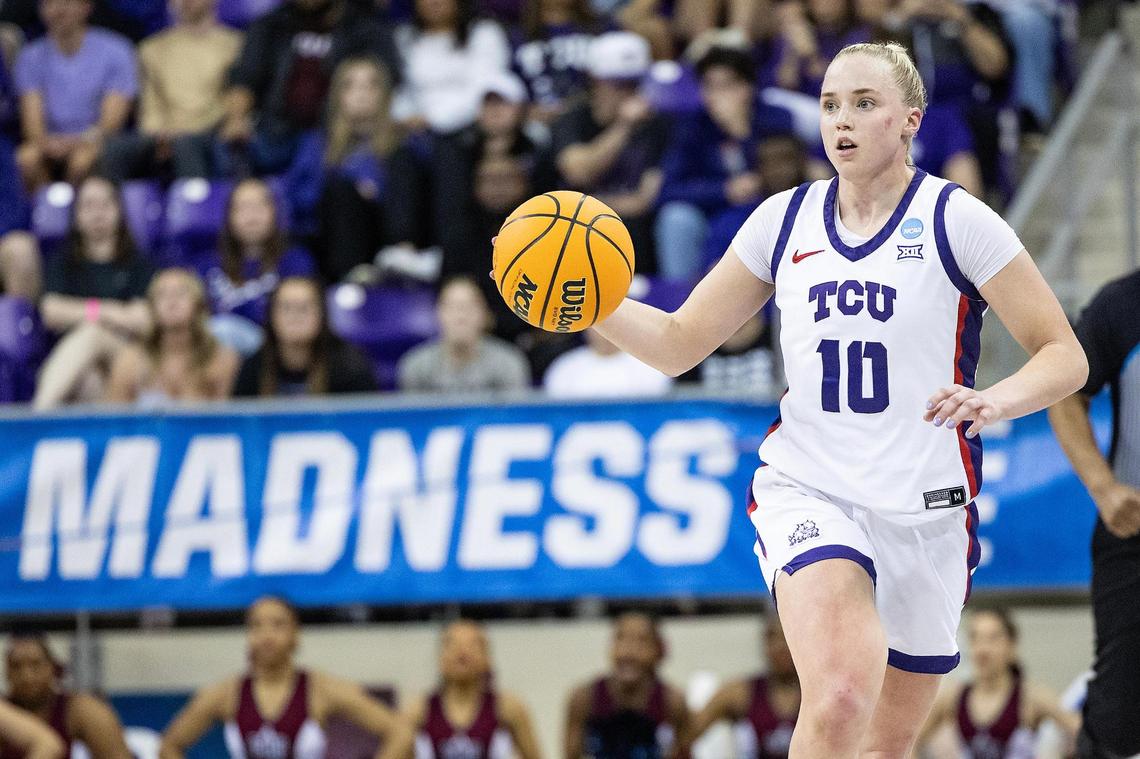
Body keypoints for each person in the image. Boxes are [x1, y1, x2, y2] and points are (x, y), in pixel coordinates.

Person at [515, 41, 1088, 758]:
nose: (841, 120)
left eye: (863, 104)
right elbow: (677, 342)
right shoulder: (783, 221)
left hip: (927, 508)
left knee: (883, 744)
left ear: (910, 120)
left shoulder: (955, 219)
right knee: (842, 693)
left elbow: (1065, 355)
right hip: (812, 486)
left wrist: (997, 399)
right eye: (829, 105)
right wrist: (590, 301)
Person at [1047, 268, 1140, 759]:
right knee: (1118, 716)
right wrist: (1103, 488)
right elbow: (1063, 391)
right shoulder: (1123, 303)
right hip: (1134, 539)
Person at [160, 595, 413, 759]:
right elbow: (169, 746)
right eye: (257, 626)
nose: (267, 635)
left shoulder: (321, 689)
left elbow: (400, 734)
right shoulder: (225, 694)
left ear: (296, 636)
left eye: (278, 625)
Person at [655, 45, 795, 279]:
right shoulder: (692, 126)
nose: (717, 95)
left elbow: (787, 174)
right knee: (676, 219)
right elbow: (667, 190)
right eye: (709, 86)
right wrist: (723, 190)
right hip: (711, 210)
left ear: (748, 87)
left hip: (763, 209)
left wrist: (740, 132)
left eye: (727, 85)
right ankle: (679, 301)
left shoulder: (775, 119)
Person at [219, 0, 400, 176]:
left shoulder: (363, 25)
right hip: (276, 132)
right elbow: (245, 77)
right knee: (226, 147)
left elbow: (385, 77)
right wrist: (236, 117)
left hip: (338, 132)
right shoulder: (271, 25)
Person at [33, 175, 153, 409]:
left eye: (105, 204)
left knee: (92, 333)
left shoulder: (139, 263)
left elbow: (144, 320)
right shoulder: (63, 263)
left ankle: (37, 415)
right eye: (88, 206)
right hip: (78, 364)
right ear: (76, 216)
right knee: (88, 380)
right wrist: (112, 311)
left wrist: (85, 314)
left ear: (119, 211)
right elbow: (51, 312)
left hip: (129, 358)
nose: (98, 213)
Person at [552, 31, 668, 271]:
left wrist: (582, 207)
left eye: (634, 84)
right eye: (618, 84)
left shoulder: (658, 123)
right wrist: (623, 126)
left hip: (631, 230)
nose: (629, 94)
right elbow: (578, 172)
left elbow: (644, 199)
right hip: (572, 230)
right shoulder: (573, 117)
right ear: (595, 81)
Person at [284, 56, 402, 283]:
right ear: (338, 95)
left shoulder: (402, 146)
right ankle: (349, 275)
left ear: (385, 94)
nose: (362, 93)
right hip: (326, 242)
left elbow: (406, 206)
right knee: (340, 191)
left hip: (380, 243)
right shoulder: (316, 144)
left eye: (371, 85)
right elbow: (298, 199)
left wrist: (373, 195)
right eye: (351, 85)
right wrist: (351, 187)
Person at [98, 0, 242, 182]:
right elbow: (151, 107)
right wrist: (159, 134)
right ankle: (108, 206)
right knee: (114, 148)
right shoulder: (151, 49)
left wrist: (187, 131)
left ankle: (195, 206)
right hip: (162, 135)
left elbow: (233, 99)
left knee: (186, 144)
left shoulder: (234, 45)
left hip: (211, 132)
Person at [916, 607, 1080, 758]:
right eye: (975, 638)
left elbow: (1082, 731)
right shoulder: (954, 696)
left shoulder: (1031, 697)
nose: (983, 649)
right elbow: (910, 739)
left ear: (1012, 645)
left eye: (993, 639)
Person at [13, 0, 137, 190]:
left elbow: (110, 124)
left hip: (95, 140)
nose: (58, 10)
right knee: (26, 158)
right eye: (50, 4)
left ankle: (76, 216)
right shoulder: (30, 57)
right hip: (50, 143)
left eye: (67, 3)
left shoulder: (117, 50)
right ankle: (46, 213)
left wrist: (76, 142)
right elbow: (32, 125)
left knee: (82, 160)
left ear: (86, 7)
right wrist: (47, 143)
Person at [196, 178, 316, 356]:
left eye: (259, 206)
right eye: (243, 207)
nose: (252, 216)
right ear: (229, 216)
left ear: (274, 212)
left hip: (272, 352)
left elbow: (299, 316)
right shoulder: (207, 265)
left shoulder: (295, 262)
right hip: (214, 355)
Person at [406, 620, 542, 759]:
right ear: (441, 659)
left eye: (473, 645)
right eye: (452, 644)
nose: (462, 652)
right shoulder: (419, 710)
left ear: (487, 659)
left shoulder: (508, 709)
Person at [104, 268, 240, 406]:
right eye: (162, 294)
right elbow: (113, 421)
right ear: (151, 307)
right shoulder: (131, 359)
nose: (171, 301)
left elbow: (224, 421)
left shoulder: (221, 358)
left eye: (181, 293)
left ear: (198, 305)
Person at [564, 612, 691, 759]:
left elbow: (683, 752)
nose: (628, 652)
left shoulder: (672, 702)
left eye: (642, 641)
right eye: (621, 639)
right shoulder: (584, 699)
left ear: (658, 650)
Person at [232, 276, 378, 397]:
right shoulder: (255, 368)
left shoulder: (350, 367)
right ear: (271, 317)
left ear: (322, 316)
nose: (295, 316)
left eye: (304, 308)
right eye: (286, 308)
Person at [391, 0, 511, 135]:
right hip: (416, 130)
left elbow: (485, 89)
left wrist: (433, 119)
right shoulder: (404, 37)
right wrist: (404, 117)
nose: (433, 2)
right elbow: (403, 91)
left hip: (471, 129)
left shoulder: (484, 33)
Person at [3, 634, 132, 759]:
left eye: (35, 665)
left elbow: (50, 747)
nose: (27, 676)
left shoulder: (80, 710)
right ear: (6, 672)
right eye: (16, 666)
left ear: (53, 668)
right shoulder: (4, 711)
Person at [397, 275, 531, 394]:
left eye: (468, 306)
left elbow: (513, 417)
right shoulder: (416, 366)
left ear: (484, 314)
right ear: (438, 313)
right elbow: (414, 418)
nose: (461, 315)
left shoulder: (508, 363)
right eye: (452, 306)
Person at [690, 619, 799, 759]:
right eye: (772, 637)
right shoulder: (741, 692)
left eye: (786, 638)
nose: (780, 647)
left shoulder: (819, 695)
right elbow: (689, 733)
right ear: (765, 644)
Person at [513, 0, 600, 123]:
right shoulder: (518, 35)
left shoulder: (601, 27)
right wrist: (526, 112)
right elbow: (507, 87)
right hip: (535, 126)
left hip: (591, 121)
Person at [543, 328, 671, 399]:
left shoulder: (649, 365)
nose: (604, 331)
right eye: (598, 323)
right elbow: (557, 415)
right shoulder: (565, 368)